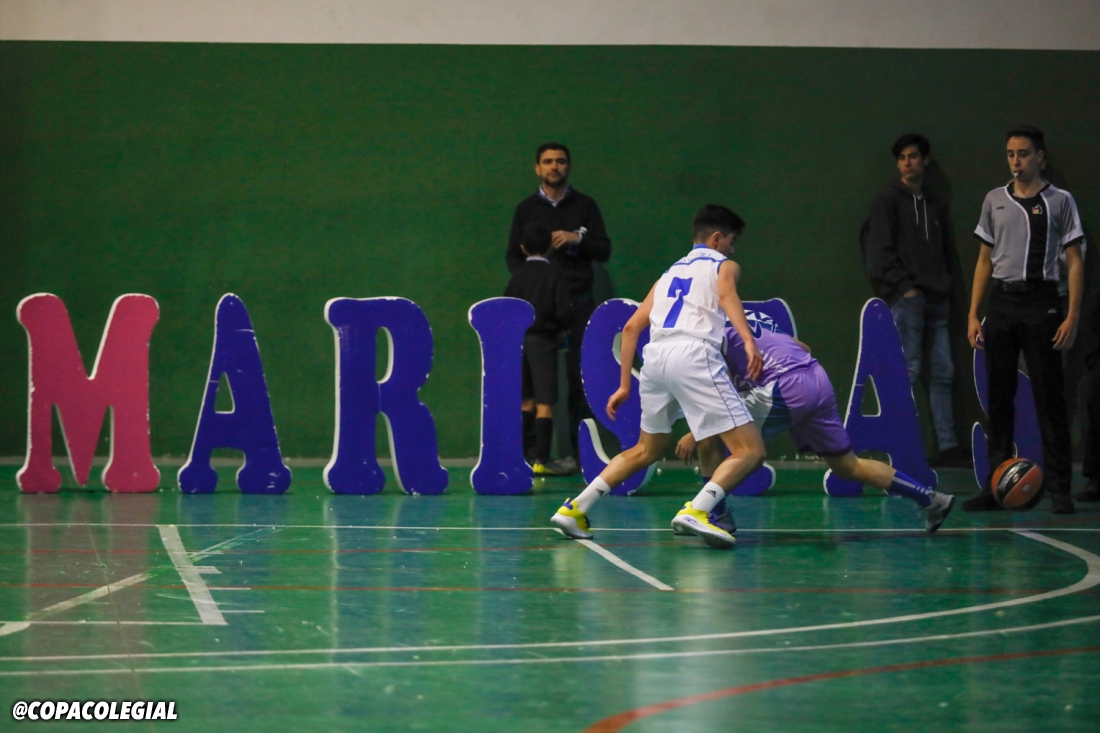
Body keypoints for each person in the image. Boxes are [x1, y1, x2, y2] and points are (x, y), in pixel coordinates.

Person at [551, 205, 764, 549]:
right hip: (694, 355)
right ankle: (698, 510)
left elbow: (632, 326)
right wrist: (750, 342)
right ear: (716, 239)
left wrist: (625, 384)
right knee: (750, 450)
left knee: (645, 449)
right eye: (731, 241)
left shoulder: (668, 275)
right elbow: (727, 295)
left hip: (656, 359)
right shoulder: (723, 265)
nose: (732, 249)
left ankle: (574, 509)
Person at [676, 321, 956, 534]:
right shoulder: (751, 320)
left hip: (785, 386)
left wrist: (695, 433)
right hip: (816, 379)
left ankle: (715, 515)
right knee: (848, 466)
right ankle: (933, 500)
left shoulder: (709, 333)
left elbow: (721, 393)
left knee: (710, 439)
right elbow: (804, 348)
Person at [965, 126, 1084, 514]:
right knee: (999, 399)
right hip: (1001, 305)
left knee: (1050, 399)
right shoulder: (994, 200)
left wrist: (1072, 315)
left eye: (1024, 153)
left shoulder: (1060, 201)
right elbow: (984, 261)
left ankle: (1060, 489)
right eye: (1011, 154)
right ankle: (995, 487)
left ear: (1040, 158)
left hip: (1042, 304)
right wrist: (973, 314)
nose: (1016, 161)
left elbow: (1074, 262)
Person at [507, 143, 611, 469]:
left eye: (561, 161)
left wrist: (577, 238)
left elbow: (604, 251)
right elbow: (513, 258)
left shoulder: (586, 206)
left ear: (569, 166)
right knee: (531, 387)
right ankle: (532, 457)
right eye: (548, 161)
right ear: (537, 168)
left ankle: (582, 457)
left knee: (580, 378)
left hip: (579, 305)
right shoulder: (525, 209)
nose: (555, 166)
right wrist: (536, 286)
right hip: (537, 313)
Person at [867, 133, 968, 467]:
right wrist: (905, 288)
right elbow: (879, 252)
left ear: (925, 160)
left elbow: (944, 251)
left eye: (913, 156)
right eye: (902, 158)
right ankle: (902, 448)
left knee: (943, 373)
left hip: (938, 299)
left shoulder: (935, 203)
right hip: (907, 300)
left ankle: (948, 447)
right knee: (907, 372)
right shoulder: (888, 199)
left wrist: (945, 288)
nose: (908, 163)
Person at [503, 222, 574, 475]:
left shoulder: (517, 277)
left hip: (518, 343)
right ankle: (542, 460)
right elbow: (564, 312)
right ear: (550, 247)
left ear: (522, 248)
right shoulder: (554, 275)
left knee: (526, 401)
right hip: (544, 343)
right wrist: (563, 329)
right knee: (545, 402)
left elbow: (507, 307)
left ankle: (522, 458)